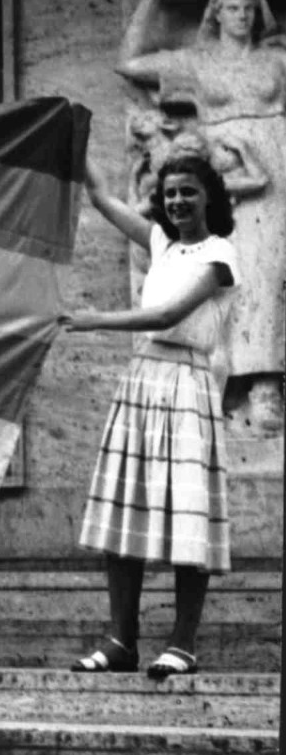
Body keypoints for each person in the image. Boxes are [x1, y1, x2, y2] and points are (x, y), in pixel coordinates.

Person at [60, 152, 238, 680]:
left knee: (187, 515)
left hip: (187, 385)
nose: (177, 201)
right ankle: (122, 640)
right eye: (170, 194)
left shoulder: (221, 254)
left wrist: (92, 321)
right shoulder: (161, 243)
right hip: (142, 381)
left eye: (188, 192)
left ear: (209, 197)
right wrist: (79, 143)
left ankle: (182, 643)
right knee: (125, 511)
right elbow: (101, 197)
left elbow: (165, 316)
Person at [118, 0, 284, 433]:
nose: (241, 16)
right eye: (231, 8)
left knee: (268, 275)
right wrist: (150, 3)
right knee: (219, 271)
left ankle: (266, 383)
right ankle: (223, 374)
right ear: (216, 14)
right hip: (221, 169)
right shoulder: (197, 62)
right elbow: (130, 63)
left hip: (275, 168)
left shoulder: (277, 60)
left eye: (249, 8)